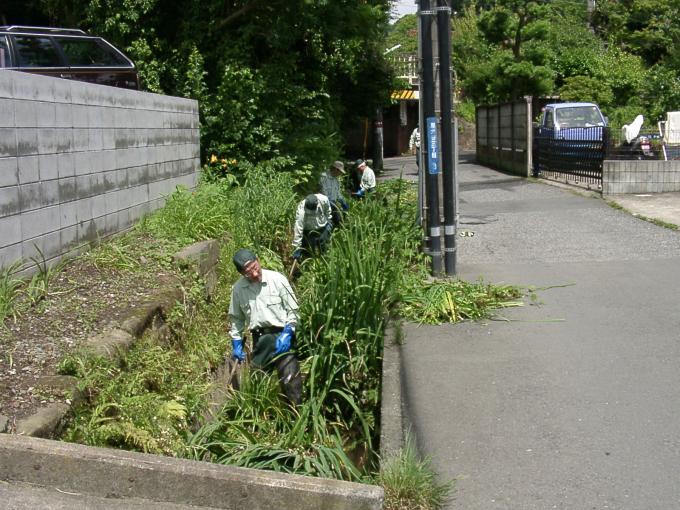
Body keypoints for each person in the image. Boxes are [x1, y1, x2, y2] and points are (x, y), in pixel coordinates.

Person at [228, 248, 302, 405]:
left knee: (291, 382)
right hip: (261, 341)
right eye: (248, 273)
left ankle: (296, 418)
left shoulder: (277, 279)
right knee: (258, 386)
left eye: (255, 268)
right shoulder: (238, 290)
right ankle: (263, 423)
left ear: (258, 260)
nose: (254, 274)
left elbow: (293, 310)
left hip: (283, 337)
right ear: (241, 273)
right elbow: (236, 319)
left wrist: (288, 332)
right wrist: (236, 342)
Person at [292, 193, 333, 260]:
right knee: (309, 251)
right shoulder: (301, 210)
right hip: (308, 231)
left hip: (323, 228)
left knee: (324, 249)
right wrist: (297, 248)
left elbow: (328, 211)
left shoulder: (324, 199)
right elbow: (298, 228)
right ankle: (309, 264)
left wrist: (329, 222)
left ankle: (324, 262)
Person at [319, 160, 349, 225]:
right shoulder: (324, 177)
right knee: (335, 220)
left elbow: (337, 194)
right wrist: (331, 202)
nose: (340, 174)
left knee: (340, 219)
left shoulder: (336, 181)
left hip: (333, 204)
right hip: (324, 204)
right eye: (340, 172)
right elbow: (323, 192)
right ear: (336, 169)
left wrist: (343, 200)